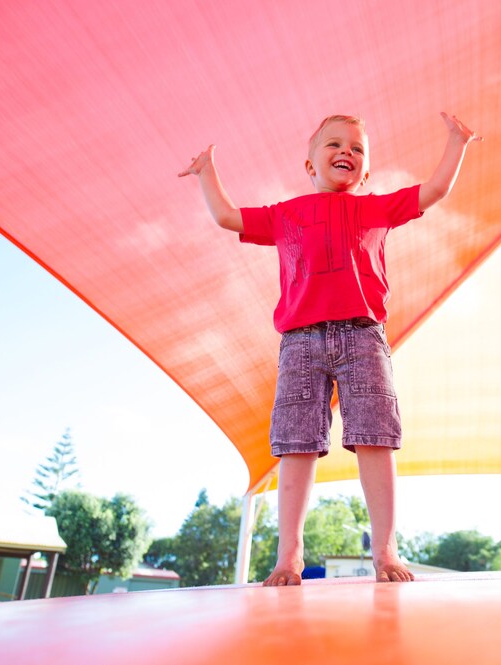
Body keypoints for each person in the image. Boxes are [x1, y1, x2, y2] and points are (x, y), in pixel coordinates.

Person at [179, 112, 481, 585]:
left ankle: (385, 550)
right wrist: (205, 171)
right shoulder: (285, 214)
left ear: (365, 172)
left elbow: (434, 190)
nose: (346, 152)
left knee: (375, 436)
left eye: (357, 149)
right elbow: (226, 216)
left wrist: (457, 143)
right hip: (300, 342)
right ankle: (288, 557)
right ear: (310, 165)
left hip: (363, 336)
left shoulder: (376, 208)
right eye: (334, 145)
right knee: (295, 443)